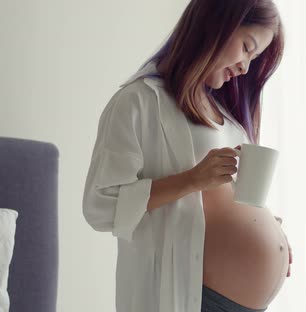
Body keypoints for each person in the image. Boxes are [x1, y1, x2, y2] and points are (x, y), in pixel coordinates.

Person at [82, 1, 292, 311]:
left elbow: (221, 206)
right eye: (247, 48)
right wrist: (192, 179)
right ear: (217, 26)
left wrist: (273, 234)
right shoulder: (138, 103)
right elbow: (101, 206)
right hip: (188, 295)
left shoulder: (227, 118)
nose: (246, 67)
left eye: (255, 57)